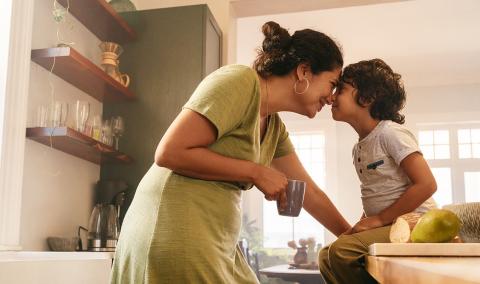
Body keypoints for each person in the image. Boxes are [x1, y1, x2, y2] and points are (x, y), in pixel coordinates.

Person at [110, 21, 351, 284]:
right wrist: (256, 172)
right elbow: (170, 152)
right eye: (332, 83)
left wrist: (352, 238)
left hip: (215, 238)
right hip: (174, 227)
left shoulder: (274, 127)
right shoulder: (240, 82)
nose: (331, 98)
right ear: (304, 71)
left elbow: (310, 192)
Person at [318, 58, 437, 284]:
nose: (331, 97)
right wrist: (364, 223)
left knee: (342, 251)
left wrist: (379, 219)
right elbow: (376, 193)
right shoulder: (359, 148)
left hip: (415, 223)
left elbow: (427, 184)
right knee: (326, 255)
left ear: (367, 98)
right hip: (389, 223)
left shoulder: (390, 134)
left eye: (340, 90)